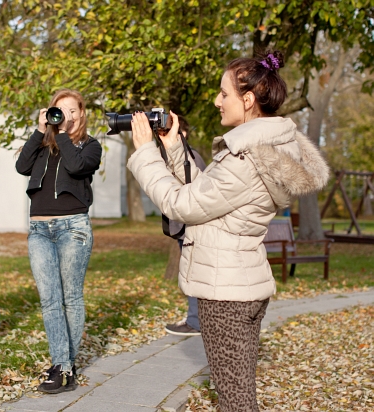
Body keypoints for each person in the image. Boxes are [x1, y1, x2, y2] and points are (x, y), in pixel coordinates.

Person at [127, 51, 329, 411]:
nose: (217, 101)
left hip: (225, 295)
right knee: (239, 394)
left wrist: (145, 153)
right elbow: (209, 194)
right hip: (244, 284)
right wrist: (174, 148)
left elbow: (182, 205)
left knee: (235, 402)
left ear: (247, 100)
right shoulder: (261, 150)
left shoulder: (244, 157)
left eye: (224, 94)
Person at [15, 89, 102, 394]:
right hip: (39, 230)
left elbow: (78, 167)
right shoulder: (42, 144)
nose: (65, 115)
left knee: (71, 299)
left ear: (81, 114)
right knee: (49, 300)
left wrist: (62, 134)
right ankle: (63, 366)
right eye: (58, 110)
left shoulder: (90, 146)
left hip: (72, 228)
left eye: (72, 110)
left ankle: (63, 367)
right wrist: (40, 131)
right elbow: (21, 167)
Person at [162, 115, 206, 337]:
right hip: (183, 226)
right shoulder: (186, 158)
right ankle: (196, 319)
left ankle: (195, 321)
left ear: (183, 134)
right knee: (192, 273)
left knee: (192, 274)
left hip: (190, 227)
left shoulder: (190, 159)